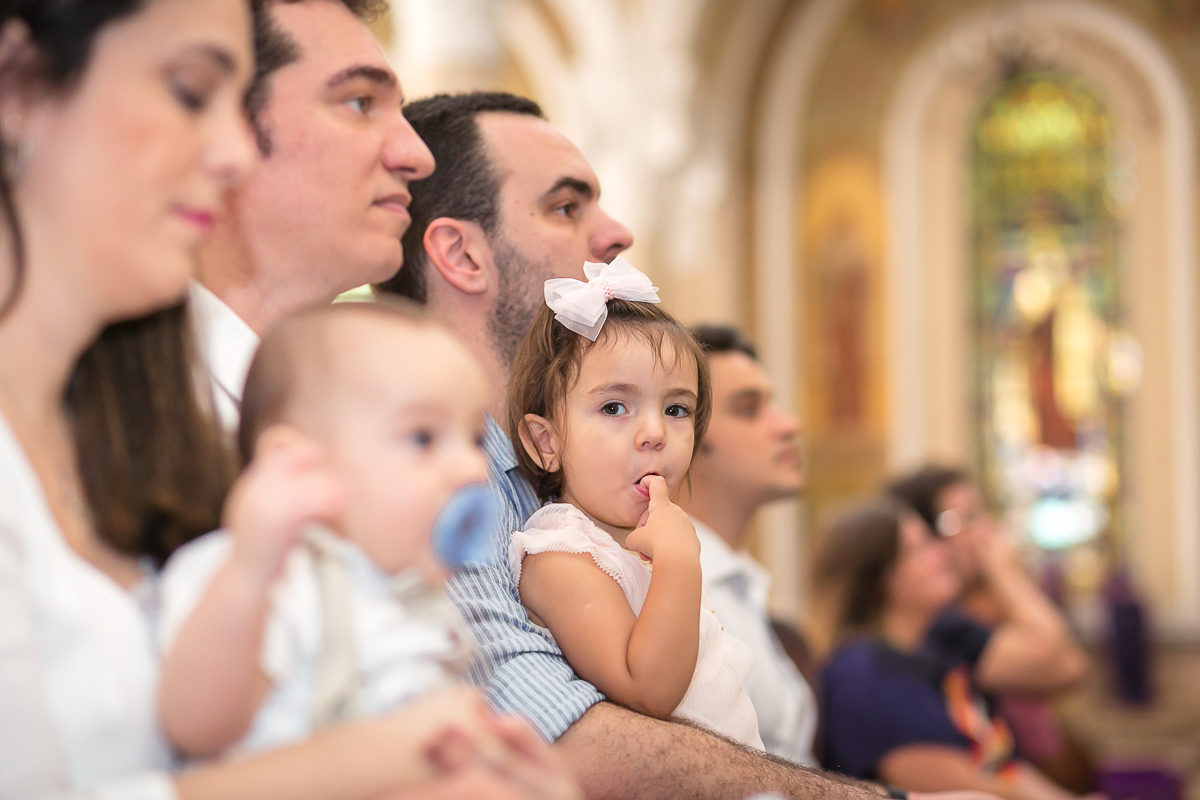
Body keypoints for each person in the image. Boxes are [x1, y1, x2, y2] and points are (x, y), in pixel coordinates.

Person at [0, 2, 574, 798]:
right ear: (19, 82)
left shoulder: (124, 410)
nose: (235, 150)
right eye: (191, 90)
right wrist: (344, 770)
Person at [378, 90, 949, 800]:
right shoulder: (430, 489)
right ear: (462, 253)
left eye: (677, 409)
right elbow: (567, 742)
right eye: (566, 206)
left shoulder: (559, 490)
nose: (616, 233)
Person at [156, 302, 497, 756]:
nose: (472, 468)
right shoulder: (274, 580)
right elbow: (195, 728)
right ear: (297, 464)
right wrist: (249, 571)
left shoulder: (417, 597)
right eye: (423, 438)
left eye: (475, 440)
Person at [505, 261, 762, 748]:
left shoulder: (642, 546)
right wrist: (681, 562)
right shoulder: (561, 554)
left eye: (676, 409)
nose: (654, 434)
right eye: (614, 407)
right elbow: (648, 691)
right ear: (546, 441)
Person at [192, 0, 436, 430]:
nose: (417, 156)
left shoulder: (348, 415)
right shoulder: (116, 399)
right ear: (222, 123)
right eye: (360, 102)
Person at [812, 500, 1092, 800]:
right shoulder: (862, 672)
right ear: (878, 581)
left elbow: (1001, 766)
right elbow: (959, 784)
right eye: (917, 550)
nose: (941, 554)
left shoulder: (931, 651)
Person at [886, 466, 1092, 791]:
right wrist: (1004, 571)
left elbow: (1071, 666)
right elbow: (1059, 664)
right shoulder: (930, 627)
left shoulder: (960, 616)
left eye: (982, 516)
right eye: (964, 520)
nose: (987, 533)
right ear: (923, 537)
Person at [682, 324, 818, 766]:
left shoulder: (735, 577)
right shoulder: (679, 581)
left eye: (773, 403)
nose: (788, 425)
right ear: (685, 433)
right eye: (749, 409)